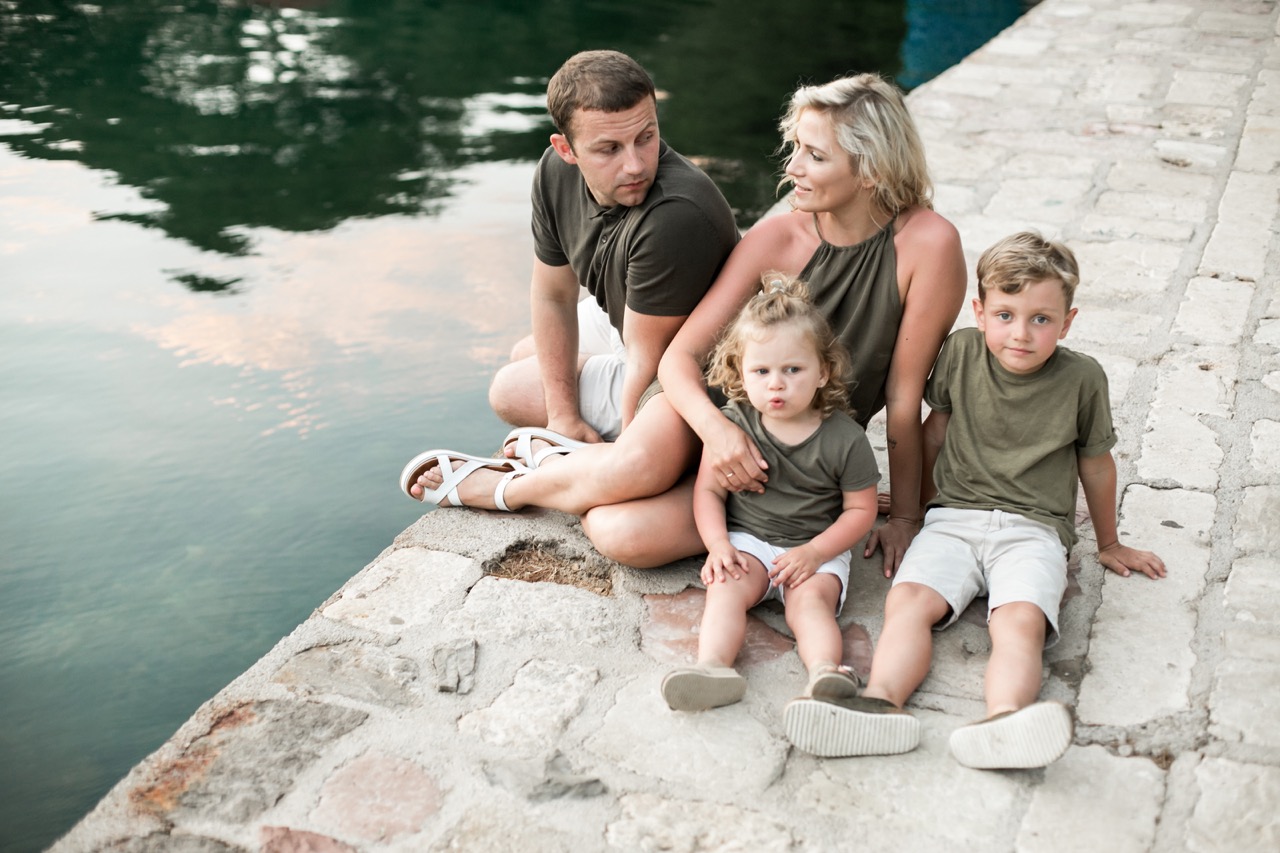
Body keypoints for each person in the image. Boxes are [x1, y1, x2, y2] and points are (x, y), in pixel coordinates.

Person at [404, 73, 966, 580]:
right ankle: (503, 487)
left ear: (870, 169)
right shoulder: (779, 237)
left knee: (619, 535)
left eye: (814, 155)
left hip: (793, 451)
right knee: (633, 460)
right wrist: (719, 432)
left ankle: (559, 460)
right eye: (795, 147)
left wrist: (908, 515)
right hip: (712, 406)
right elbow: (678, 358)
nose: (791, 166)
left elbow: (902, 394)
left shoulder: (928, 245)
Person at [784, 232, 1168, 766]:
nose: (1022, 333)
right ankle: (878, 706)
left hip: (1033, 530)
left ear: (1068, 321)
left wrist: (1109, 541)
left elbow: (1096, 464)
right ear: (981, 311)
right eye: (1006, 315)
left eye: (1041, 319)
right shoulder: (962, 351)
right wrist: (913, 512)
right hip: (952, 519)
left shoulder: (1083, 379)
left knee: (1019, 621)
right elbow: (934, 433)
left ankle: (1006, 720)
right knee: (907, 605)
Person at [659, 275, 879, 756]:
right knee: (725, 589)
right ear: (741, 371)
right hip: (751, 541)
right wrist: (718, 545)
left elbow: (861, 509)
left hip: (815, 547)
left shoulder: (844, 437)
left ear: (823, 371)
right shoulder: (734, 425)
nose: (776, 383)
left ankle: (825, 675)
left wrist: (815, 552)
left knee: (810, 605)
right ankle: (714, 668)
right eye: (761, 372)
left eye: (793, 369)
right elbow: (709, 493)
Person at [485, 49, 739, 445]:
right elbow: (553, 295)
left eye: (646, 137)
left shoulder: (677, 214)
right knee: (527, 353)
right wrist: (563, 417)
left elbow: (646, 361)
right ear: (565, 149)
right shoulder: (554, 173)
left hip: (701, 370)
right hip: (633, 323)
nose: (636, 165)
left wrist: (626, 455)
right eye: (609, 149)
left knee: (511, 389)